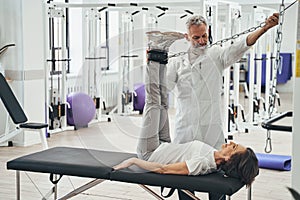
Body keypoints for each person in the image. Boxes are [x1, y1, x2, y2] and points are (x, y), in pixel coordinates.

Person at [113, 31, 259, 197]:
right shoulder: (213, 156)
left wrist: (133, 161)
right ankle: (160, 49)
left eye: (233, 147)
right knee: (162, 102)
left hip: (150, 152)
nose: (231, 142)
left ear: (228, 159)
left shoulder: (202, 163)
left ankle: (154, 48)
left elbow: (163, 169)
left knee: (154, 101)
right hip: (165, 145)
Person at [167, 13, 280, 149]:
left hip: (211, 124)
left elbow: (240, 46)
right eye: (196, 38)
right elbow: (165, 86)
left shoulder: (216, 54)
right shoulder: (177, 61)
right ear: (187, 37)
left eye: (204, 36)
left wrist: (264, 29)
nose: (202, 41)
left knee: (216, 162)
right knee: (183, 163)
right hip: (185, 125)